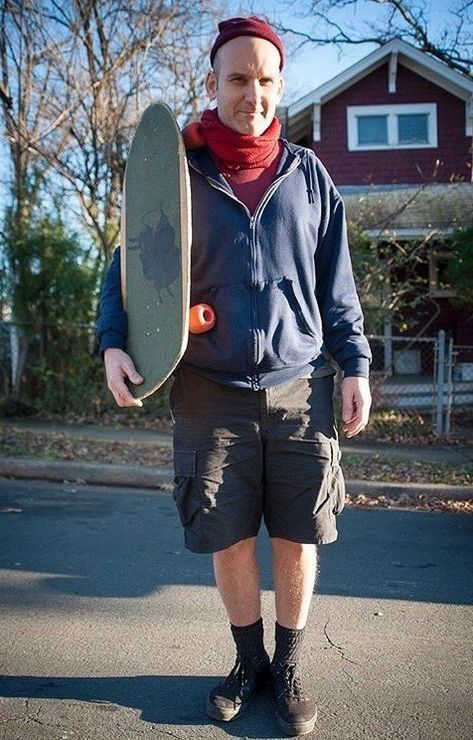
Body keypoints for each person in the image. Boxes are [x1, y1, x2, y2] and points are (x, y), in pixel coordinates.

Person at [97, 16, 372, 737]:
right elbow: (127, 272)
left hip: (298, 385)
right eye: (239, 78)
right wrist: (113, 343)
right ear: (212, 82)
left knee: (297, 533)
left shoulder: (308, 174)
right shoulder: (177, 176)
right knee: (225, 535)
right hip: (206, 387)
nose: (253, 93)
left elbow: (335, 285)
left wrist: (355, 366)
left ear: (280, 86)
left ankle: (286, 665)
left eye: (266, 80)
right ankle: (245, 661)